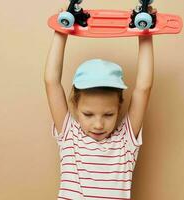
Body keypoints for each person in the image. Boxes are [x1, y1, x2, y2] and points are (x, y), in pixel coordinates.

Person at [44, 30, 153, 199]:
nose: (98, 125)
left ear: (119, 108)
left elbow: (143, 89)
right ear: (75, 106)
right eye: (88, 114)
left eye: (108, 114)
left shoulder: (125, 140)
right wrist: (61, 32)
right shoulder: (69, 136)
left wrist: (145, 34)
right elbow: (51, 82)